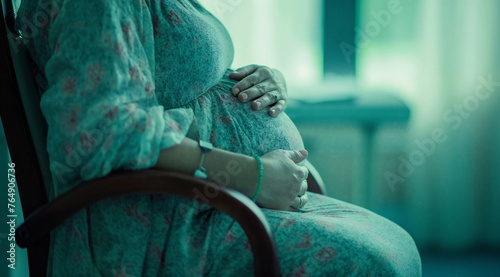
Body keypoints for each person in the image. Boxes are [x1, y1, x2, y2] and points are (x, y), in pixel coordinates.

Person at [16, 0, 422, 276]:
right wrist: (254, 176)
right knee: (375, 264)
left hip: (206, 205)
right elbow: (103, 130)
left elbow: (171, 79)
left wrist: (260, 80)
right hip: (166, 226)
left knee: (395, 251)